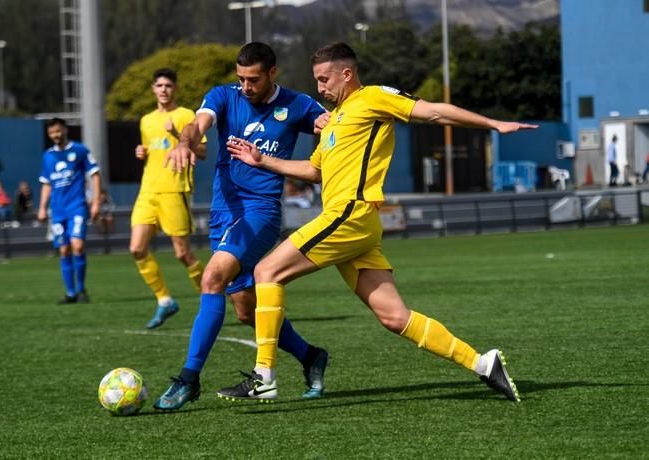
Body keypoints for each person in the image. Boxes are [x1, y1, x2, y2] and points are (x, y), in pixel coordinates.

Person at [220, 42, 539, 403]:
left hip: (349, 214)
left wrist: (493, 124)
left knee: (266, 272)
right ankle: (483, 364)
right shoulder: (333, 120)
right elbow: (314, 170)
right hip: (354, 225)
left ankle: (264, 375)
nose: (320, 88)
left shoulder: (373, 97)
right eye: (317, 80)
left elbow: (433, 112)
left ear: (347, 73)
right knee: (395, 317)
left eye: (325, 79)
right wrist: (264, 161)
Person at [153, 42, 330, 411]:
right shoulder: (223, 96)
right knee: (246, 311)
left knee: (211, 278)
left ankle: (189, 379)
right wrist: (186, 142)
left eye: (253, 79)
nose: (246, 86)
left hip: (260, 214)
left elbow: (331, 130)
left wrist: (331, 138)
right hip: (224, 214)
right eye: (241, 79)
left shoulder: (297, 105)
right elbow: (197, 125)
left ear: (272, 73)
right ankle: (311, 355)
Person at [131, 68, 207, 329]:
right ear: (153, 89)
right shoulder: (146, 120)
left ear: (175, 89)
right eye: (159, 85)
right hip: (148, 191)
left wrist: (177, 134)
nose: (163, 90)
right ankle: (164, 300)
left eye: (168, 86)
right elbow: (151, 150)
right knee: (137, 248)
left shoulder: (186, 115)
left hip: (174, 189)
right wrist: (142, 152)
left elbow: (203, 151)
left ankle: (209, 299)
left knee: (182, 253)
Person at [37, 118, 101, 304]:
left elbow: (95, 175)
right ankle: (70, 293)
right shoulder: (47, 156)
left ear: (65, 130)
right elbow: (46, 184)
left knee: (77, 246)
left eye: (58, 131)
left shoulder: (79, 150)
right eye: (51, 133)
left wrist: (96, 202)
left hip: (77, 206)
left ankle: (81, 290)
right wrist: (42, 208)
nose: (55, 135)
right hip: (57, 211)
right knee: (64, 250)